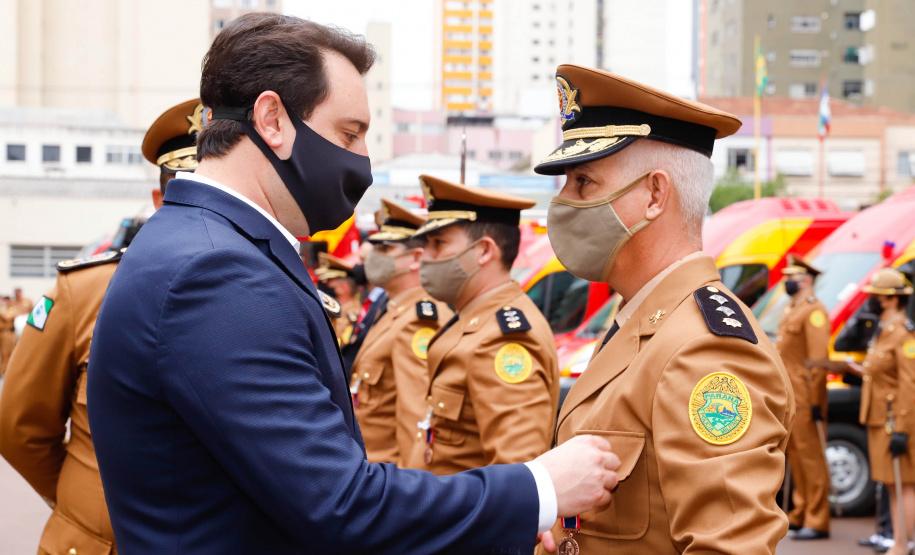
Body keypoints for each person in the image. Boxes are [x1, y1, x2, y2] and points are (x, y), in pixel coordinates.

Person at [85, 14, 621, 554]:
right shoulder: (216, 273)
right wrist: (539, 488)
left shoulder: (205, 246)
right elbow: (340, 503)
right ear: (272, 119)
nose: (362, 160)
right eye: (349, 133)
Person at [532, 64, 796, 553]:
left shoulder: (706, 349)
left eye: (583, 181)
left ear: (655, 194)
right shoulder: (643, 321)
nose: (563, 201)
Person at [0, 97, 206, 555]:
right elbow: (20, 426)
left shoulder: (273, 295)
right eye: (189, 188)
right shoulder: (83, 290)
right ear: (158, 199)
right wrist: (85, 501)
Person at [403, 174, 560, 475]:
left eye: (438, 243)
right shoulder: (470, 319)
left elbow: (517, 477)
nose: (427, 255)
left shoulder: (505, 339)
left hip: (462, 521)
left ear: (485, 251)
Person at [350, 199, 451, 465]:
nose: (373, 254)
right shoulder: (394, 309)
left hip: (389, 480)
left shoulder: (418, 321)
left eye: (385, 247)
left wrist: (410, 497)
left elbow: (415, 420)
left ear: (416, 258)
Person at [847, 267, 915, 555]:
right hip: (878, 418)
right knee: (890, 484)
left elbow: (909, 385)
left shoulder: (903, 335)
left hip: (894, 421)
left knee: (905, 485)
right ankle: (899, 541)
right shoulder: (885, 331)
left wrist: (902, 428)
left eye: (876, 297)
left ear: (890, 299)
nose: (872, 301)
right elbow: (882, 375)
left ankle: (902, 544)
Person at [776, 255, 832, 540]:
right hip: (791, 395)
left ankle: (818, 518)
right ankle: (800, 511)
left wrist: (815, 400)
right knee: (796, 457)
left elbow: (819, 362)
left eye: (791, 278)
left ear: (805, 281)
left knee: (811, 460)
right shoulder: (792, 308)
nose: (787, 282)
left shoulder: (814, 311)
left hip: (807, 396)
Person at [315, 252, 362, 341]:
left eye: (328, 281)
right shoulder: (336, 312)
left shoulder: (350, 317)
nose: (323, 285)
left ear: (343, 287)